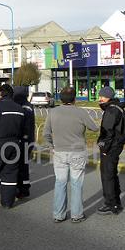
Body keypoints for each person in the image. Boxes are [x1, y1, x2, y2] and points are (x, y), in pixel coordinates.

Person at [43, 87, 99, 223]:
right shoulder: (81, 112)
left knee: (60, 183)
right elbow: (94, 128)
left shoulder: (53, 112)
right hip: (78, 152)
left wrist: (52, 146)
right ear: (75, 98)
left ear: (60, 98)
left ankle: (58, 215)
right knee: (76, 184)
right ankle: (77, 215)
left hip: (59, 152)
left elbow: (46, 133)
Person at [0, 84, 28, 209]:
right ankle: (7, 201)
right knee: (10, 172)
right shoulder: (20, 109)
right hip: (15, 144)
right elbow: (24, 128)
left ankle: (6, 192)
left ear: (0, 94)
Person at [96, 86, 125, 215]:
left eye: (102, 96)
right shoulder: (116, 108)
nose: (100, 98)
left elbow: (107, 132)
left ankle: (111, 204)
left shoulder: (111, 111)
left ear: (108, 97)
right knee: (112, 174)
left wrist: (103, 148)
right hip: (116, 145)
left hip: (111, 148)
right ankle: (116, 202)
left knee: (107, 176)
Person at [13, 86, 36, 199]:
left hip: (21, 140)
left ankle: (20, 188)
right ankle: (25, 187)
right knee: (24, 165)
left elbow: (23, 126)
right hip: (29, 139)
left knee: (18, 165)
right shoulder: (29, 106)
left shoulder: (19, 107)